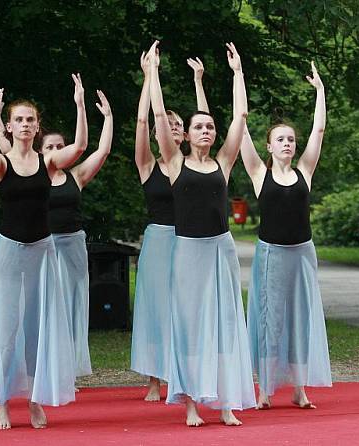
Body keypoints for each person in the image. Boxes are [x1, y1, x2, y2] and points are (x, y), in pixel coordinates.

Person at [148, 40, 255, 426]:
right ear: (187, 135)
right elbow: (160, 118)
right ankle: (192, 402)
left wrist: (237, 73)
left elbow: (241, 116)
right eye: (200, 126)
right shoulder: (175, 162)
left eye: (210, 126)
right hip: (187, 252)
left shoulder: (224, 162)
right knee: (190, 325)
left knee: (225, 323)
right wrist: (153, 75)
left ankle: (225, 402)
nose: (207, 130)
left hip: (220, 250)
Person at [0, 72, 86, 429]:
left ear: (37, 127)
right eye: (18, 120)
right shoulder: (1, 164)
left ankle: (36, 401)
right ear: (8, 127)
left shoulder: (47, 162)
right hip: (8, 254)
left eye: (30, 120)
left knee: (38, 330)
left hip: (43, 254)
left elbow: (81, 147)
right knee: (7, 330)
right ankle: (3, 401)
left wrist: (80, 105)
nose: (25, 124)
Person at [0, 88, 113, 381]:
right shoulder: (16, 164)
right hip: (24, 246)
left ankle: (58, 371)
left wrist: (93, 112)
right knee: (17, 316)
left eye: (61, 146)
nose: (57, 151)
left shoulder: (71, 174)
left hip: (63, 246)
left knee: (61, 308)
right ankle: (12, 386)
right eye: (52, 147)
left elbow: (93, 149)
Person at [239, 61, 331, 411]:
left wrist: (320, 91)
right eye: (281, 139)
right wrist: (239, 77)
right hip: (272, 255)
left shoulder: (305, 170)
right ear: (269, 146)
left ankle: (299, 388)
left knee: (300, 317)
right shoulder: (260, 173)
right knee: (270, 319)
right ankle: (265, 388)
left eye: (291, 139)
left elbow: (319, 131)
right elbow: (241, 129)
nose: (288, 143)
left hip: (302, 254)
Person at [131, 50, 210, 402]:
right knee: (155, 308)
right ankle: (153, 379)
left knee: (185, 307)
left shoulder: (189, 165)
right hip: (159, 241)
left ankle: (187, 372)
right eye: (172, 124)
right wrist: (150, 76)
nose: (176, 128)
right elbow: (144, 122)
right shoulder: (148, 164)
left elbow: (204, 120)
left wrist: (198, 83)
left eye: (180, 126)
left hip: (188, 241)